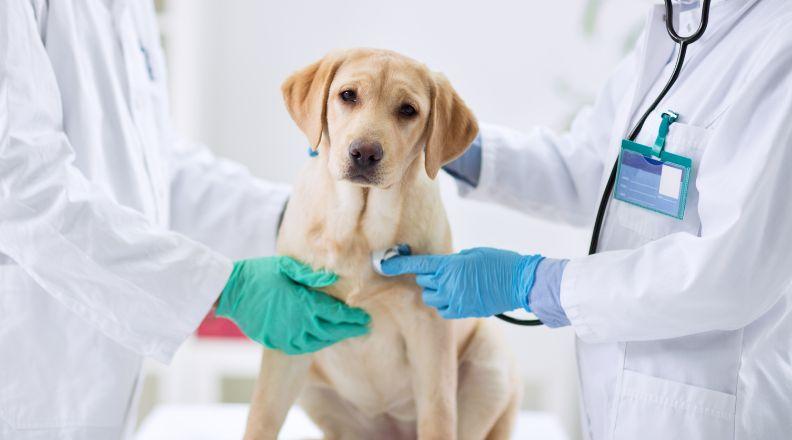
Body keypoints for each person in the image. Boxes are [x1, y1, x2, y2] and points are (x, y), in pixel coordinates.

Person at [383, 0, 792, 439]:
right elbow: (598, 169)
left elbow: (730, 273)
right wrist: (455, 147)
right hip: (621, 406)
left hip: (709, 417)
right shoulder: (675, 28)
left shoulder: (778, 46)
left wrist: (538, 282)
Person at [0, 2, 369, 439]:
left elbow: (154, 167)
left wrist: (297, 218)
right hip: (26, 380)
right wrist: (224, 287)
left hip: (89, 390)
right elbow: (20, 190)